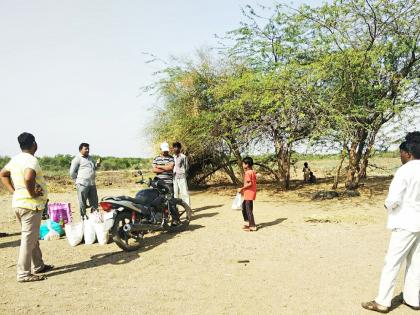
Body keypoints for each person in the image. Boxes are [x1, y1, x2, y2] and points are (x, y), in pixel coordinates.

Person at [362, 137, 420, 313]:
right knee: (416, 262)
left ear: (408, 153)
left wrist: (387, 205)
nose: (400, 156)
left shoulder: (404, 171)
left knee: (392, 262)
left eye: (401, 153)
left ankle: (382, 301)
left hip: (404, 223)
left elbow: (394, 199)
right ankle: (412, 299)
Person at [0, 132, 53, 282]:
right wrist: (33, 193)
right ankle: (23, 273)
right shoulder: (31, 160)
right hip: (30, 206)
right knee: (28, 239)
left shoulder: (15, 159)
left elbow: (3, 174)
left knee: (32, 236)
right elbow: (29, 177)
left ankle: (38, 265)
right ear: (34, 144)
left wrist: (14, 192)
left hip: (19, 204)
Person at [69, 143, 101, 219]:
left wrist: (97, 165)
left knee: (94, 201)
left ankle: (94, 217)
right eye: (85, 149)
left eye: (88, 149)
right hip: (82, 184)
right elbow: (72, 172)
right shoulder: (77, 159)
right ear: (80, 150)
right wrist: (77, 180)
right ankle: (83, 216)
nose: (87, 150)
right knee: (82, 202)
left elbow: (94, 168)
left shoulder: (90, 158)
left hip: (92, 183)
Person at [152, 142, 180, 225]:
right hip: (158, 183)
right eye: (164, 150)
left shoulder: (171, 158)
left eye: (166, 150)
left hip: (168, 182)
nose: (165, 152)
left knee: (171, 201)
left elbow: (171, 167)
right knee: (157, 201)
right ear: (160, 150)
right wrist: (166, 168)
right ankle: (158, 219)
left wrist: (160, 167)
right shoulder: (156, 158)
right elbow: (154, 170)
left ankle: (175, 219)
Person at [237, 157, 257, 232]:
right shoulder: (252, 171)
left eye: (243, 164)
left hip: (249, 193)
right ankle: (249, 223)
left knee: (248, 209)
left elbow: (250, 183)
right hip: (250, 193)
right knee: (245, 208)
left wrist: (241, 188)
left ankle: (253, 226)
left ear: (247, 164)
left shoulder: (248, 172)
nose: (242, 165)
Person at [172, 142, 190, 207]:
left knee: (185, 194)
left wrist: (184, 173)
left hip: (182, 177)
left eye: (177, 147)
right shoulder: (172, 157)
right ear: (173, 148)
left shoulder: (183, 157)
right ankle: (176, 211)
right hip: (174, 177)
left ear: (180, 148)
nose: (176, 148)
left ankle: (188, 212)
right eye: (174, 147)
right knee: (175, 194)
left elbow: (186, 167)